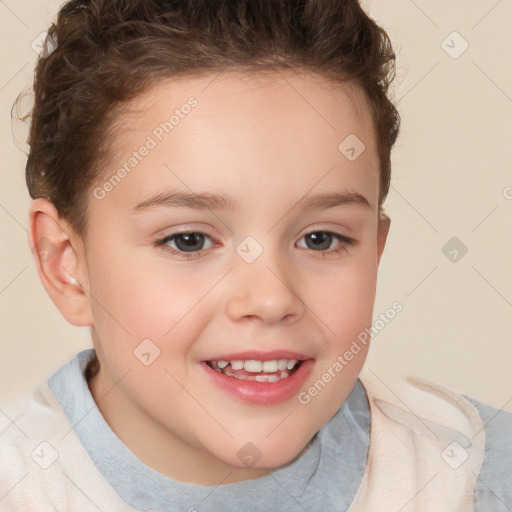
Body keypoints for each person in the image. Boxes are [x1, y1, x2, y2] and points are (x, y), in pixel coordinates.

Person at [1, 0, 510, 510]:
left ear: (375, 252)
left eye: (321, 238)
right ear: (66, 265)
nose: (270, 299)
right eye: (189, 240)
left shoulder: (477, 474)